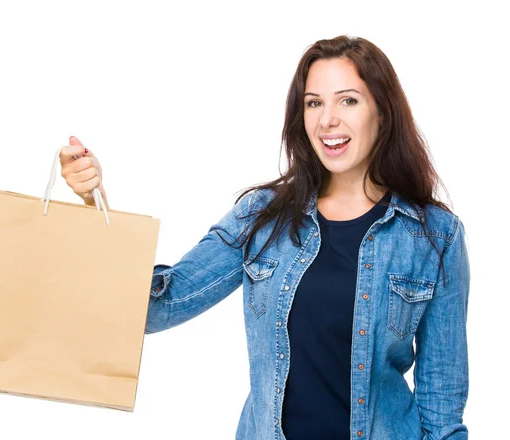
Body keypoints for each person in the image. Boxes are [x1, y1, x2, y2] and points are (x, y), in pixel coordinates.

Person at [59, 35, 470, 440]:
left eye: (348, 100)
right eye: (314, 103)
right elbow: (157, 309)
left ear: (382, 111)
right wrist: (94, 205)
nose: (328, 119)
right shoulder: (262, 217)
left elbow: (441, 406)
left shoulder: (434, 236)